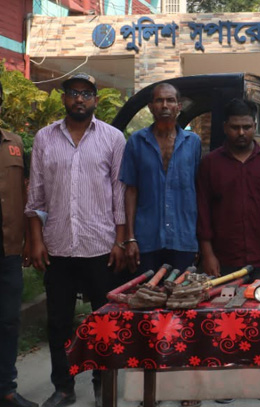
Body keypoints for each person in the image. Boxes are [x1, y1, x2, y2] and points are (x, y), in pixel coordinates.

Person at [25, 73, 126, 407]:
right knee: (58, 322)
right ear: (64, 98)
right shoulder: (44, 138)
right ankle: (64, 387)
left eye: (86, 93)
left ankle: (102, 384)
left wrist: (120, 241)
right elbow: (35, 194)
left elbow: (119, 194)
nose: (79, 99)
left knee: (103, 322)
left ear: (95, 99)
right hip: (58, 246)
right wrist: (36, 240)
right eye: (73, 92)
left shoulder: (113, 138)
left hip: (101, 246)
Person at [196, 99, 260, 280]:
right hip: (222, 261)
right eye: (235, 127)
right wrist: (207, 255)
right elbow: (203, 212)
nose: (241, 132)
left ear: (254, 126)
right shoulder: (210, 164)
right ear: (225, 127)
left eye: (246, 127)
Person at [120, 83, 201, 275]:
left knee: (181, 293)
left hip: (183, 238)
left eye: (170, 100)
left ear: (178, 106)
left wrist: (200, 239)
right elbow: (130, 191)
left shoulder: (193, 143)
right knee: (146, 292)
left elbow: (198, 189)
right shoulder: (136, 142)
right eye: (159, 100)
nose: (165, 105)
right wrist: (130, 238)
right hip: (146, 240)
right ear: (150, 106)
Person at [0, 80, 38, 407]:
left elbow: (25, 194)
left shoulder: (13, 143)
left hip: (8, 251)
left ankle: (6, 389)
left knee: (9, 321)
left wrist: (28, 239)